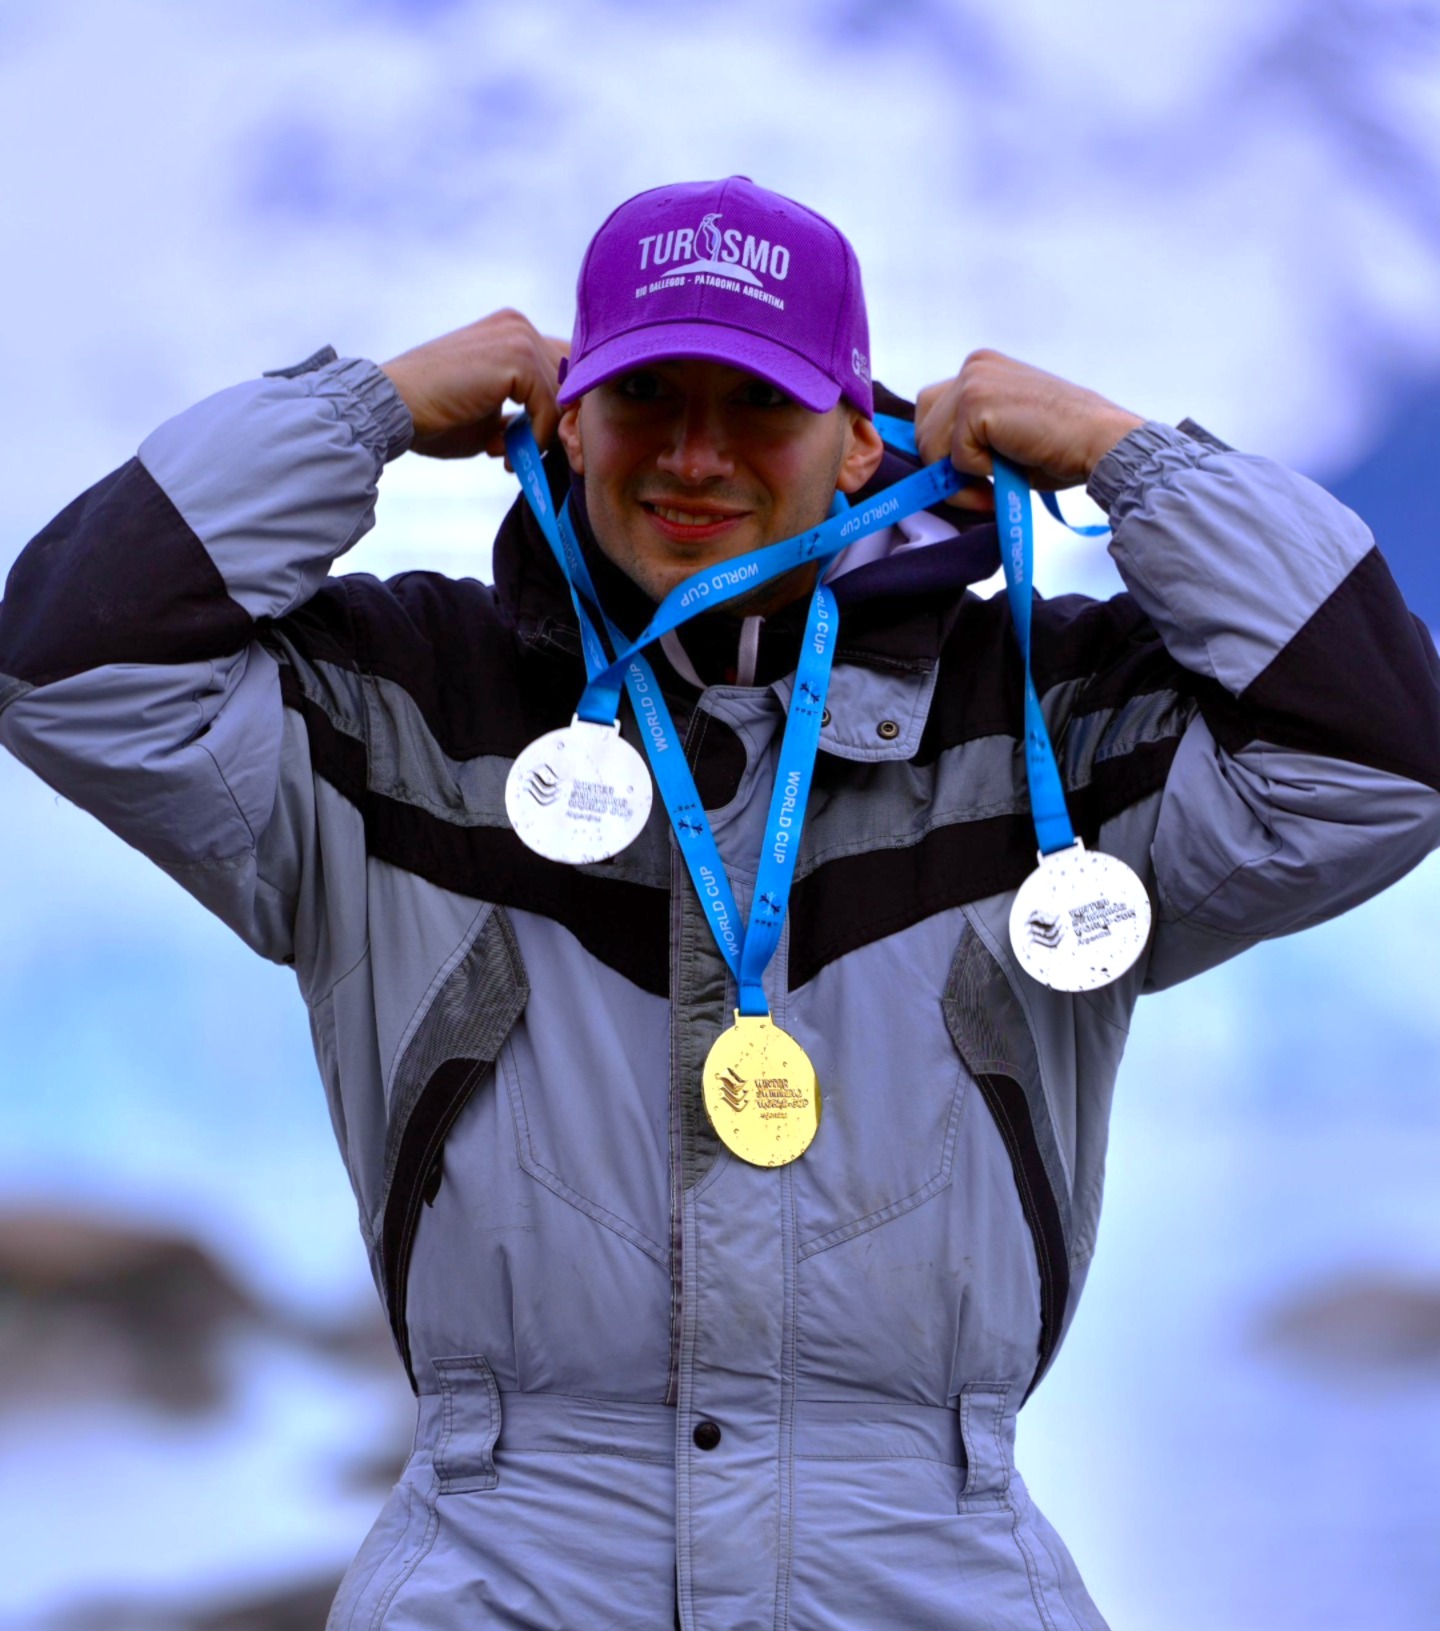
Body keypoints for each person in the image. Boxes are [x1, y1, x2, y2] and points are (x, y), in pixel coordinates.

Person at [2, 174, 1437, 1631]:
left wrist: (1130, 459)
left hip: (924, 1576)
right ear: (567, 417)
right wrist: (365, 408)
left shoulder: (1043, 725)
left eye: (756, 404)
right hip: (501, 1576)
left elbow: (1383, 757)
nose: (694, 455)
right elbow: (68, 662)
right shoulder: (400, 711)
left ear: (859, 439)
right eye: (646, 397)